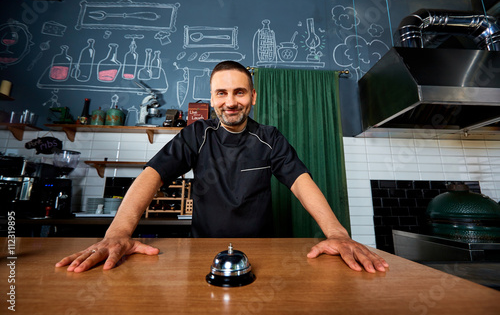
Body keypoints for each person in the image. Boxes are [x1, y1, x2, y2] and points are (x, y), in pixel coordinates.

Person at [56, 61, 388, 273]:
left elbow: (301, 183)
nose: (231, 102)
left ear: (253, 97)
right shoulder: (196, 135)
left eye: (239, 92)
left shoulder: (269, 138)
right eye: (222, 93)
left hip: (263, 256)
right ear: (212, 98)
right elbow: (151, 177)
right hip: (202, 255)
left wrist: (338, 234)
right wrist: (116, 235)